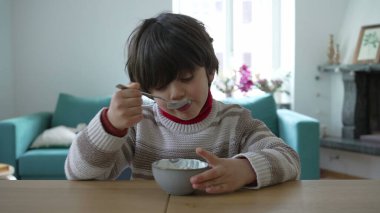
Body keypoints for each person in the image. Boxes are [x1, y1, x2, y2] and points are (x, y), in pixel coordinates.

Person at [65, 12, 300, 194]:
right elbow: (78, 173)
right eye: (160, 84)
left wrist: (246, 170)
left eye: (186, 78)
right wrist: (110, 124)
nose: (175, 93)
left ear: (209, 71)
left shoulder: (236, 122)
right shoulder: (140, 124)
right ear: (146, 88)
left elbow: (289, 158)